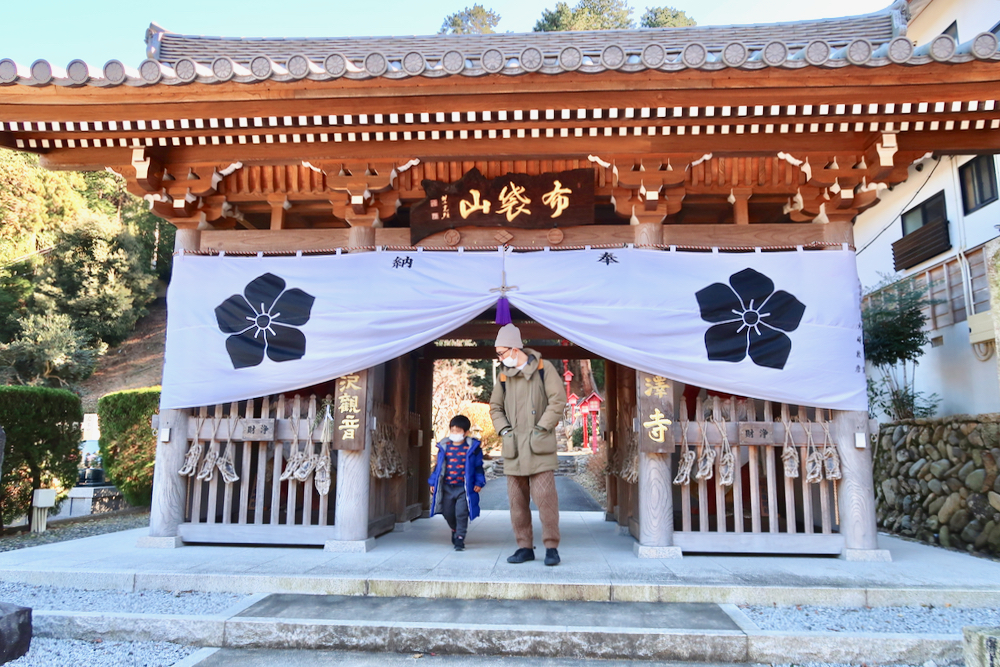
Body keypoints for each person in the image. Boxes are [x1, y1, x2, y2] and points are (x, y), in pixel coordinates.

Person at [489, 323, 568, 566]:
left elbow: (558, 400)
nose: (500, 358)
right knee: (516, 502)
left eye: (502, 353)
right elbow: (495, 407)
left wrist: (542, 427)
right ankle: (524, 547)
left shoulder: (544, 369)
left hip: (539, 445)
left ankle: (551, 547)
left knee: (546, 499)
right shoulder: (503, 375)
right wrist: (504, 430)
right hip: (514, 449)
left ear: (515, 349)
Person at [428, 414, 485, 552]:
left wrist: (479, 482)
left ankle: (460, 538)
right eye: (453, 430)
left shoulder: (473, 448)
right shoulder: (444, 446)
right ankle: (454, 529)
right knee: (447, 512)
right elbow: (438, 467)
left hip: (464, 488)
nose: (455, 434)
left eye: (458, 431)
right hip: (447, 486)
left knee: (461, 513)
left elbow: (478, 468)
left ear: (466, 433)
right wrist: (433, 482)